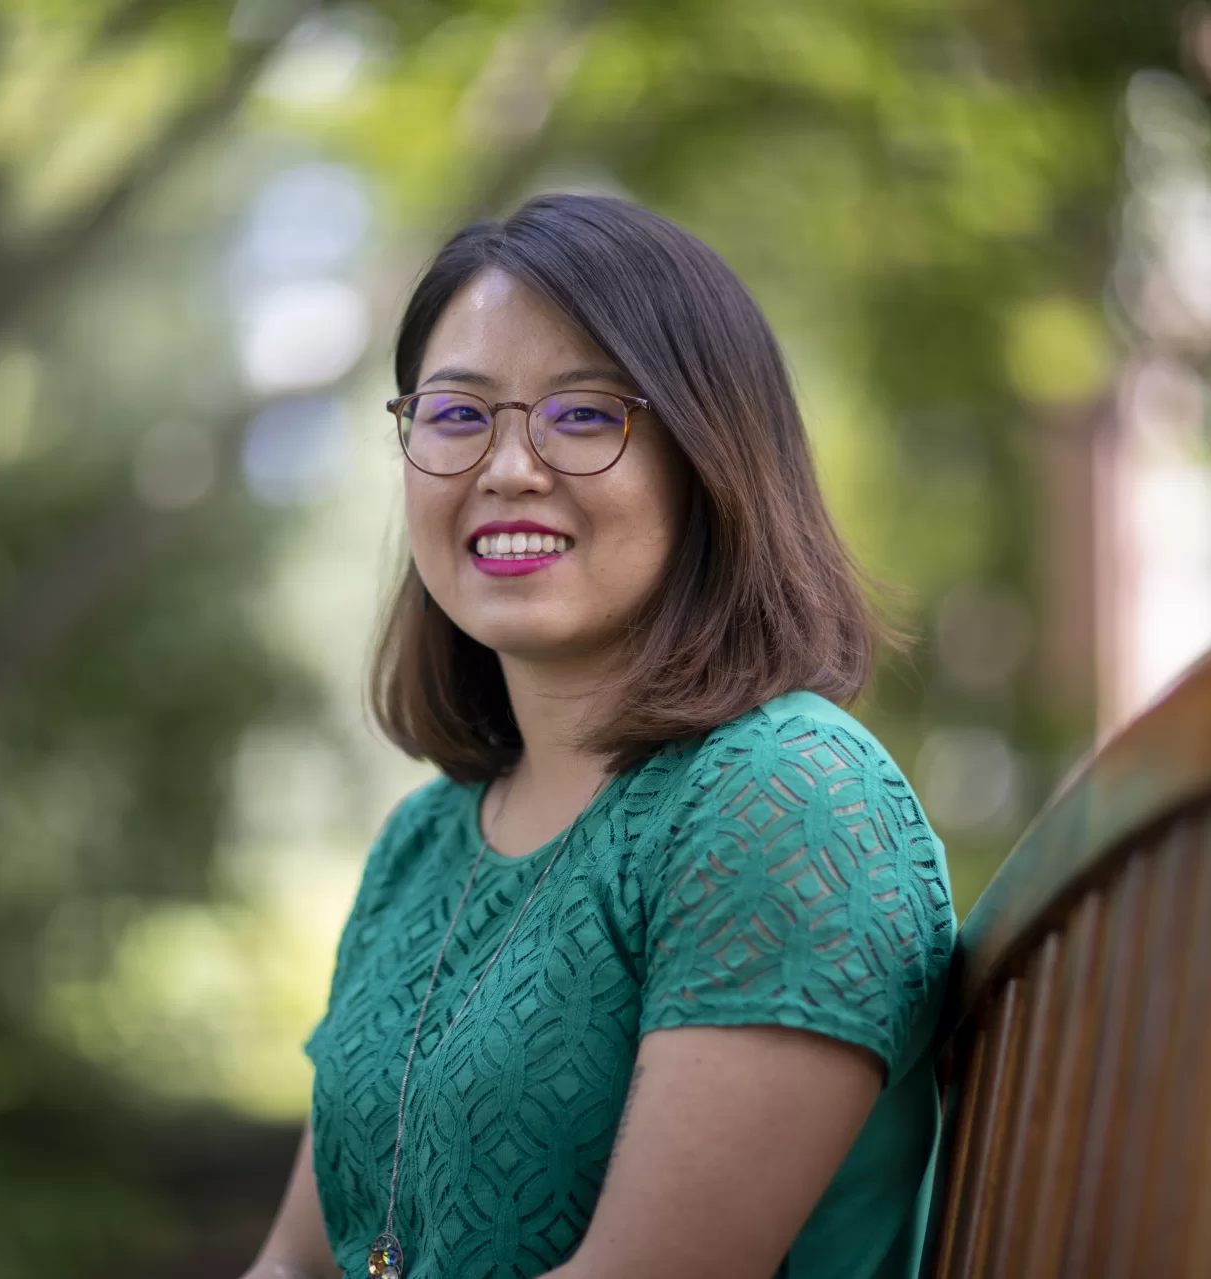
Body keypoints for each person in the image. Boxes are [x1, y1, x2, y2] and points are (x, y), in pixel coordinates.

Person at [244, 194, 955, 1279]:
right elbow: (296, 1262)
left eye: (583, 414)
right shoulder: (424, 841)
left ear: (709, 458)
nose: (508, 466)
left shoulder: (785, 798)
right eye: (454, 414)